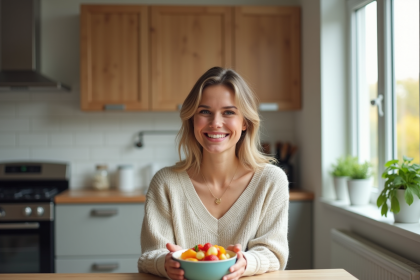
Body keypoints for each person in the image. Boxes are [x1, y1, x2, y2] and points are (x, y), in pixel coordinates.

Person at [138, 67, 289, 280]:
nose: (215, 123)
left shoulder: (271, 181)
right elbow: (149, 256)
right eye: (205, 111)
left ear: (244, 122)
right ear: (192, 119)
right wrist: (163, 262)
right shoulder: (165, 183)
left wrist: (247, 262)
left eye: (229, 112)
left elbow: (273, 253)